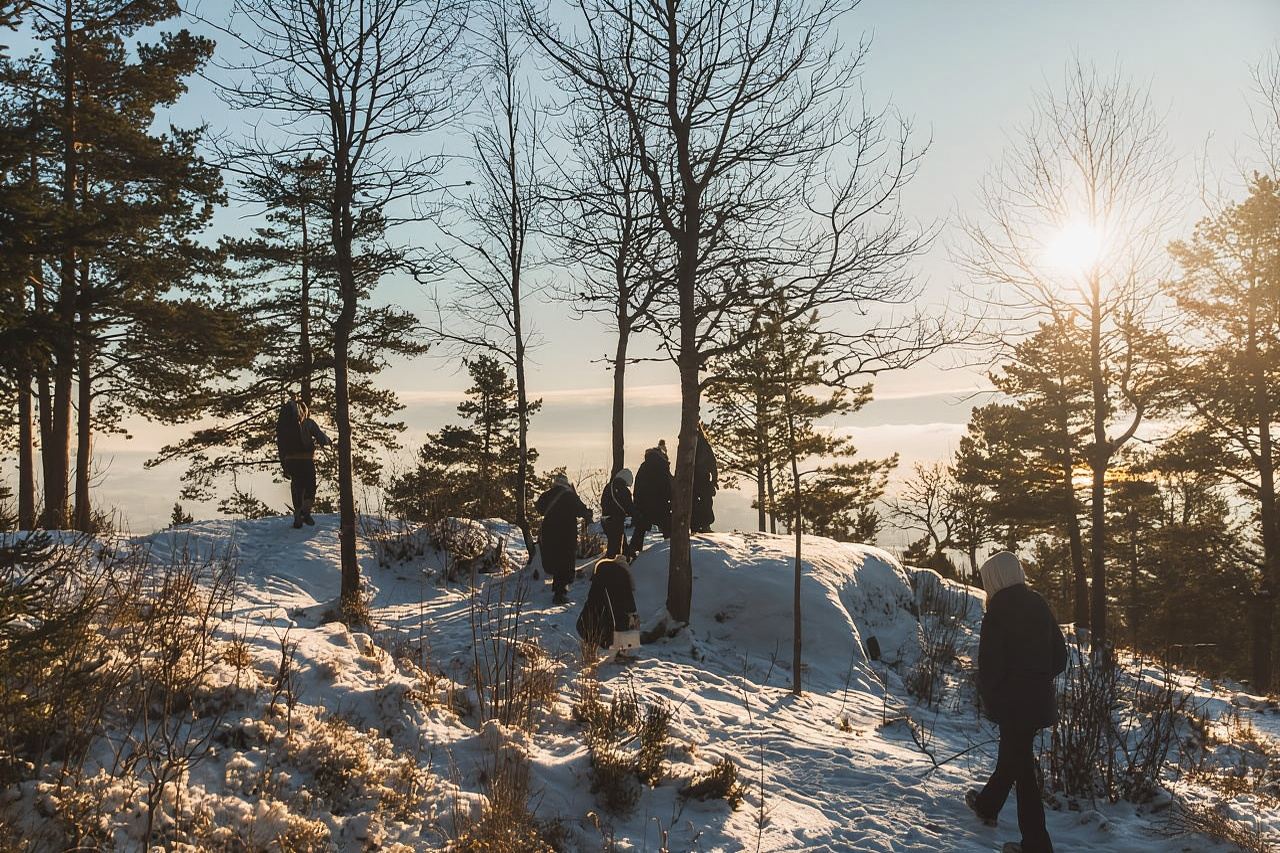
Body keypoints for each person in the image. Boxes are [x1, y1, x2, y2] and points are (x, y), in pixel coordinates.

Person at [965, 551, 1067, 853]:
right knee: (1014, 758)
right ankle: (986, 806)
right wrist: (1037, 678)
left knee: (1022, 771)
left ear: (995, 579)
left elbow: (990, 667)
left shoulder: (997, 612)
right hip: (1038, 703)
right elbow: (1060, 657)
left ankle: (1036, 845)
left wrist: (993, 695)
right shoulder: (1038, 604)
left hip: (1013, 704)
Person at [536, 474, 593, 604]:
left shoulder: (546, 495)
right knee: (565, 561)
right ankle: (560, 592)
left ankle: (557, 587)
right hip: (566, 533)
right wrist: (588, 514)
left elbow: (539, 509)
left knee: (555, 559)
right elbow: (581, 511)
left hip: (549, 532)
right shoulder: (570, 496)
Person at [276, 396, 332, 529]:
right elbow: (321, 438)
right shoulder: (309, 423)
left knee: (297, 486)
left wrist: (284, 464)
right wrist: (329, 441)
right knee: (310, 488)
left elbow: (281, 445)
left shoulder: (285, 426)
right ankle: (305, 512)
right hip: (306, 460)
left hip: (290, 461)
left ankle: (297, 514)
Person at [576, 555, 639, 649]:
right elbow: (630, 608)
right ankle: (626, 651)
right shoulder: (622, 577)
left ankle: (593, 650)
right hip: (610, 631)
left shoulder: (602, 573)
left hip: (586, 625)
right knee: (625, 617)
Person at [630, 442, 673, 555]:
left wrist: (637, 504)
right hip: (661, 505)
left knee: (640, 529)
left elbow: (638, 487)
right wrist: (671, 499)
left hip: (644, 506)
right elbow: (668, 486)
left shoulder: (644, 466)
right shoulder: (662, 467)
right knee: (668, 530)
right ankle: (671, 552)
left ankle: (632, 553)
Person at [600, 468, 635, 559]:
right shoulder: (623, 490)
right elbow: (629, 507)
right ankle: (613, 564)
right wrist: (636, 516)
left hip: (605, 520)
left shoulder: (608, 487)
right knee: (615, 545)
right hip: (615, 520)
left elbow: (603, 502)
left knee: (615, 540)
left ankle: (627, 555)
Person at [691, 423, 718, 533]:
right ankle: (704, 525)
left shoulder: (689, 443)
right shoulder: (704, 443)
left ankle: (696, 525)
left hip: (693, 479)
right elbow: (712, 463)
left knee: (696, 502)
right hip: (702, 478)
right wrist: (714, 479)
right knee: (705, 502)